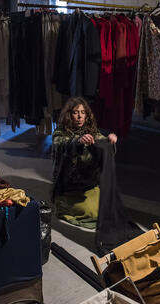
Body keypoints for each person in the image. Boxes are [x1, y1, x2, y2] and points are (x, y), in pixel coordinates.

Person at [51, 97, 117, 229]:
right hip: (69, 188)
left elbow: (103, 145)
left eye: (83, 112)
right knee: (91, 213)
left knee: (107, 209)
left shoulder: (91, 131)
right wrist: (78, 141)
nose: (80, 116)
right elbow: (61, 145)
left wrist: (109, 142)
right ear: (69, 115)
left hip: (88, 185)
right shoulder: (60, 132)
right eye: (75, 112)